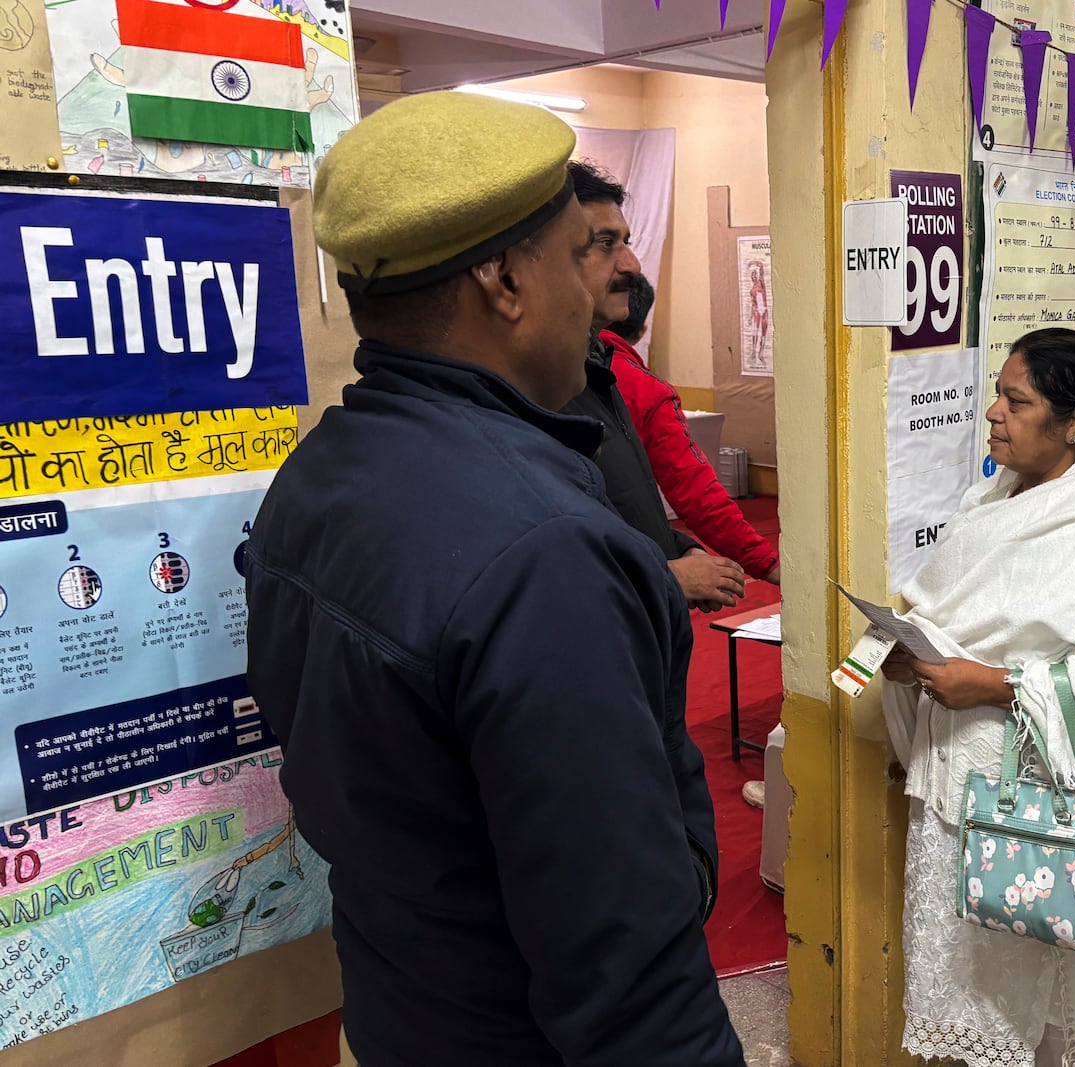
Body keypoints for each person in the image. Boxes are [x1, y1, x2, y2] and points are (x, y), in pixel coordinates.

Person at [244, 92, 743, 1067]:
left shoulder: (316, 475)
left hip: (396, 1006)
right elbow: (624, 961)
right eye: (577, 258)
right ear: (507, 280)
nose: (600, 292)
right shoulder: (543, 552)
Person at [879, 328, 1075, 1066]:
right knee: (993, 1008)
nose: (993, 412)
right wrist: (910, 656)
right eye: (998, 392)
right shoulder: (988, 499)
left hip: (1063, 826)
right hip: (972, 806)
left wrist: (991, 683)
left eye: (1016, 400)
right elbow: (950, 611)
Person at [564, 160, 747, 613]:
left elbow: (624, 508)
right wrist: (665, 575)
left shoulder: (600, 368)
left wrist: (676, 549)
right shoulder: (529, 393)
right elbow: (547, 569)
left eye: (626, 241)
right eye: (605, 244)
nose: (631, 264)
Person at [602, 277, 781, 584]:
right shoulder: (641, 390)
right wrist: (767, 564)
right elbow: (696, 492)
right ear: (641, 329)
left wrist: (682, 546)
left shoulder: (550, 372)